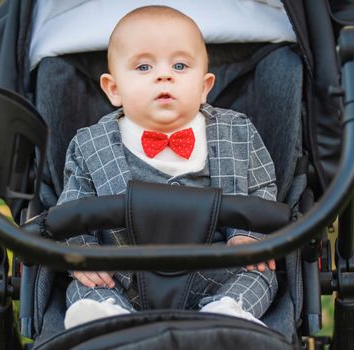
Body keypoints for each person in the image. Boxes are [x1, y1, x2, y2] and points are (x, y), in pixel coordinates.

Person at [59, 5, 279, 329]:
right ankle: (105, 317)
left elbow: (262, 190)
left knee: (261, 273)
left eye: (179, 65)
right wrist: (83, 253)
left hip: (217, 265)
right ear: (114, 89)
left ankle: (229, 312)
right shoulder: (90, 145)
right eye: (144, 66)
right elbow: (72, 210)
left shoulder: (238, 133)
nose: (165, 75)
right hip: (122, 273)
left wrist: (248, 236)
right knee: (83, 286)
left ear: (204, 86)